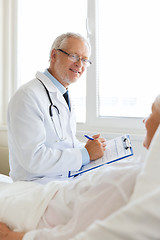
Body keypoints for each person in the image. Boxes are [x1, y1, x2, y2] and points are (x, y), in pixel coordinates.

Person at [1, 94, 160, 240]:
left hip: (36, 207)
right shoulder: (140, 168)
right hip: (42, 192)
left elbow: (73, 234)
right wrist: (86, 151)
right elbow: (40, 155)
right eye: (75, 59)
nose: (145, 120)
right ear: (54, 59)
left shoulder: (123, 181)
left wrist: (11, 236)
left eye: (151, 113)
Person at [7, 32, 106, 183]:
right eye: (73, 56)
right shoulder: (27, 96)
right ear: (54, 55)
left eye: (84, 60)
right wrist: (85, 154)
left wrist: (87, 147)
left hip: (61, 184)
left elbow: (61, 143)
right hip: (35, 190)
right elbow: (33, 158)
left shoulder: (62, 94)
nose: (79, 64)